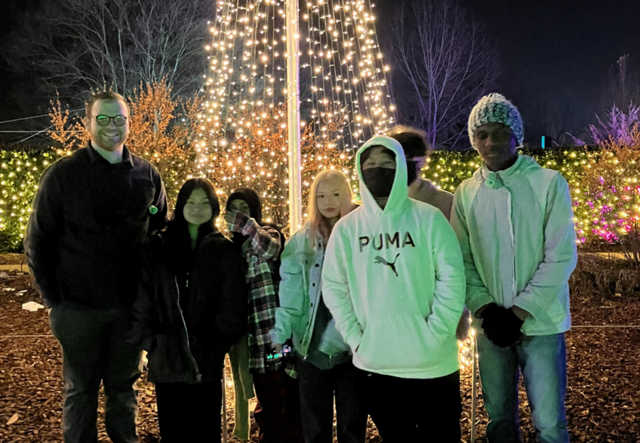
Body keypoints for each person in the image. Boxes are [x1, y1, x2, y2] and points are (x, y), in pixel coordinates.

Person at [24, 90, 167, 443]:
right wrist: (53, 299)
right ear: (87, 123)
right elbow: (37, 240)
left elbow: (161, 233)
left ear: (129, 123)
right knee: (80, 393)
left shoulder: (147, 175)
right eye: (102, 118)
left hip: (128, 309)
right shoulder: (63, 175)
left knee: (123, 391)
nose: (111, 126)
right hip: (77, 309)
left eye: (119, 118)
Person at [321, 135, 467, 442]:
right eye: (370, 164)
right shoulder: (347, 229)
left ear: (401, 168)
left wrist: (435, 333)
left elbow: (452, 279)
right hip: (376, 366)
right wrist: (356, 338)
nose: (378, 170)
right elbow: (334, 286)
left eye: (387, 164)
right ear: (360, 171)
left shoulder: (429, 219)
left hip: (433, 366)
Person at [451, 93, 577, 443]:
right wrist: (486, 308)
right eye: (482, 134)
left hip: (541, 323)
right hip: (490, 326)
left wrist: (519, 312)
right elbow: (461, 259)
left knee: (550, 423)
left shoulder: (549, 183)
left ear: (516, 136)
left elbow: (561, 256)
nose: (490, 141)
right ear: (473, 140)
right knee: (500, 422)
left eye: (499, 131)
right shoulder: (465, 193)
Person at [129, 178, 247, 442]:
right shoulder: (157, 247)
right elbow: (142, 300)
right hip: (167, 359)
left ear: (214, 207)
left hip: (206, 361)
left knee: (205, 431)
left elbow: (232, 306)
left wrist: (215, 345)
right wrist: (153, 342)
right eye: (191, 202)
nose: (197, 208)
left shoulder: (224, 250)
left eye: (204, 203)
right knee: (174, 431)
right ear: (180, 205)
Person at [270, 170, 366, 443]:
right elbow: (291, 293)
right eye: (321, 195)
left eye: (336, 194)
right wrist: (281, 334)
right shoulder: (302, 240)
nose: (329, 202)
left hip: (353, 347)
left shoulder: (361, 235)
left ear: (349, 195)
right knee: (314, 426)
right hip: (310, 347)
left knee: (352, 423)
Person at [225, 188, 304, 443]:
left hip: (279, 338)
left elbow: (270, 248)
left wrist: (246, 224)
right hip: (254, 344)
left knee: (288, 397)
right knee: (267, 401)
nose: (239, 214)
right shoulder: (230, 250)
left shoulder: (269, 233)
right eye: (234, 208)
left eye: (244, 208)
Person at [389, 125, 471, 340]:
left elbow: (459, 261)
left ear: (421, 161)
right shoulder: (379, 207)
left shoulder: (445, 204)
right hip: (392, 315)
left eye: (407, 158)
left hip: (437, 315)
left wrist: (459, 311)